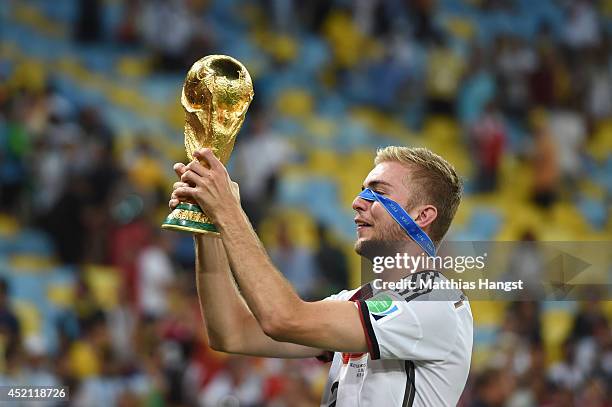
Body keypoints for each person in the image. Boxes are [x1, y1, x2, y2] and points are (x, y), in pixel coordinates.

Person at [168, 146, 473, 406]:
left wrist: (228, 212)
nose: (358, 201)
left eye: (378, 192)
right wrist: (207, 224)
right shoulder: (355, 302)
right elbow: (232, 332)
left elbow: (283, 318)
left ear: (422, 216)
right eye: (363, 190)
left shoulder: (435, 303)